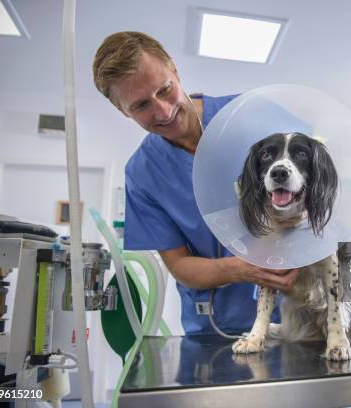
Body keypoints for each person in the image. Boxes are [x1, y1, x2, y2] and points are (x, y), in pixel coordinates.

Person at [92, 31, 297, 335]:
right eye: (141, 106)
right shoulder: (142, 173)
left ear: (174, 68)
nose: (163, 111)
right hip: (215, 325)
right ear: (123, 111)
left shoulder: (250, 116)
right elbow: (179, 265)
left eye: (164, 89)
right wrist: (240, 269)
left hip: (296, 312)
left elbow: (321, 192)